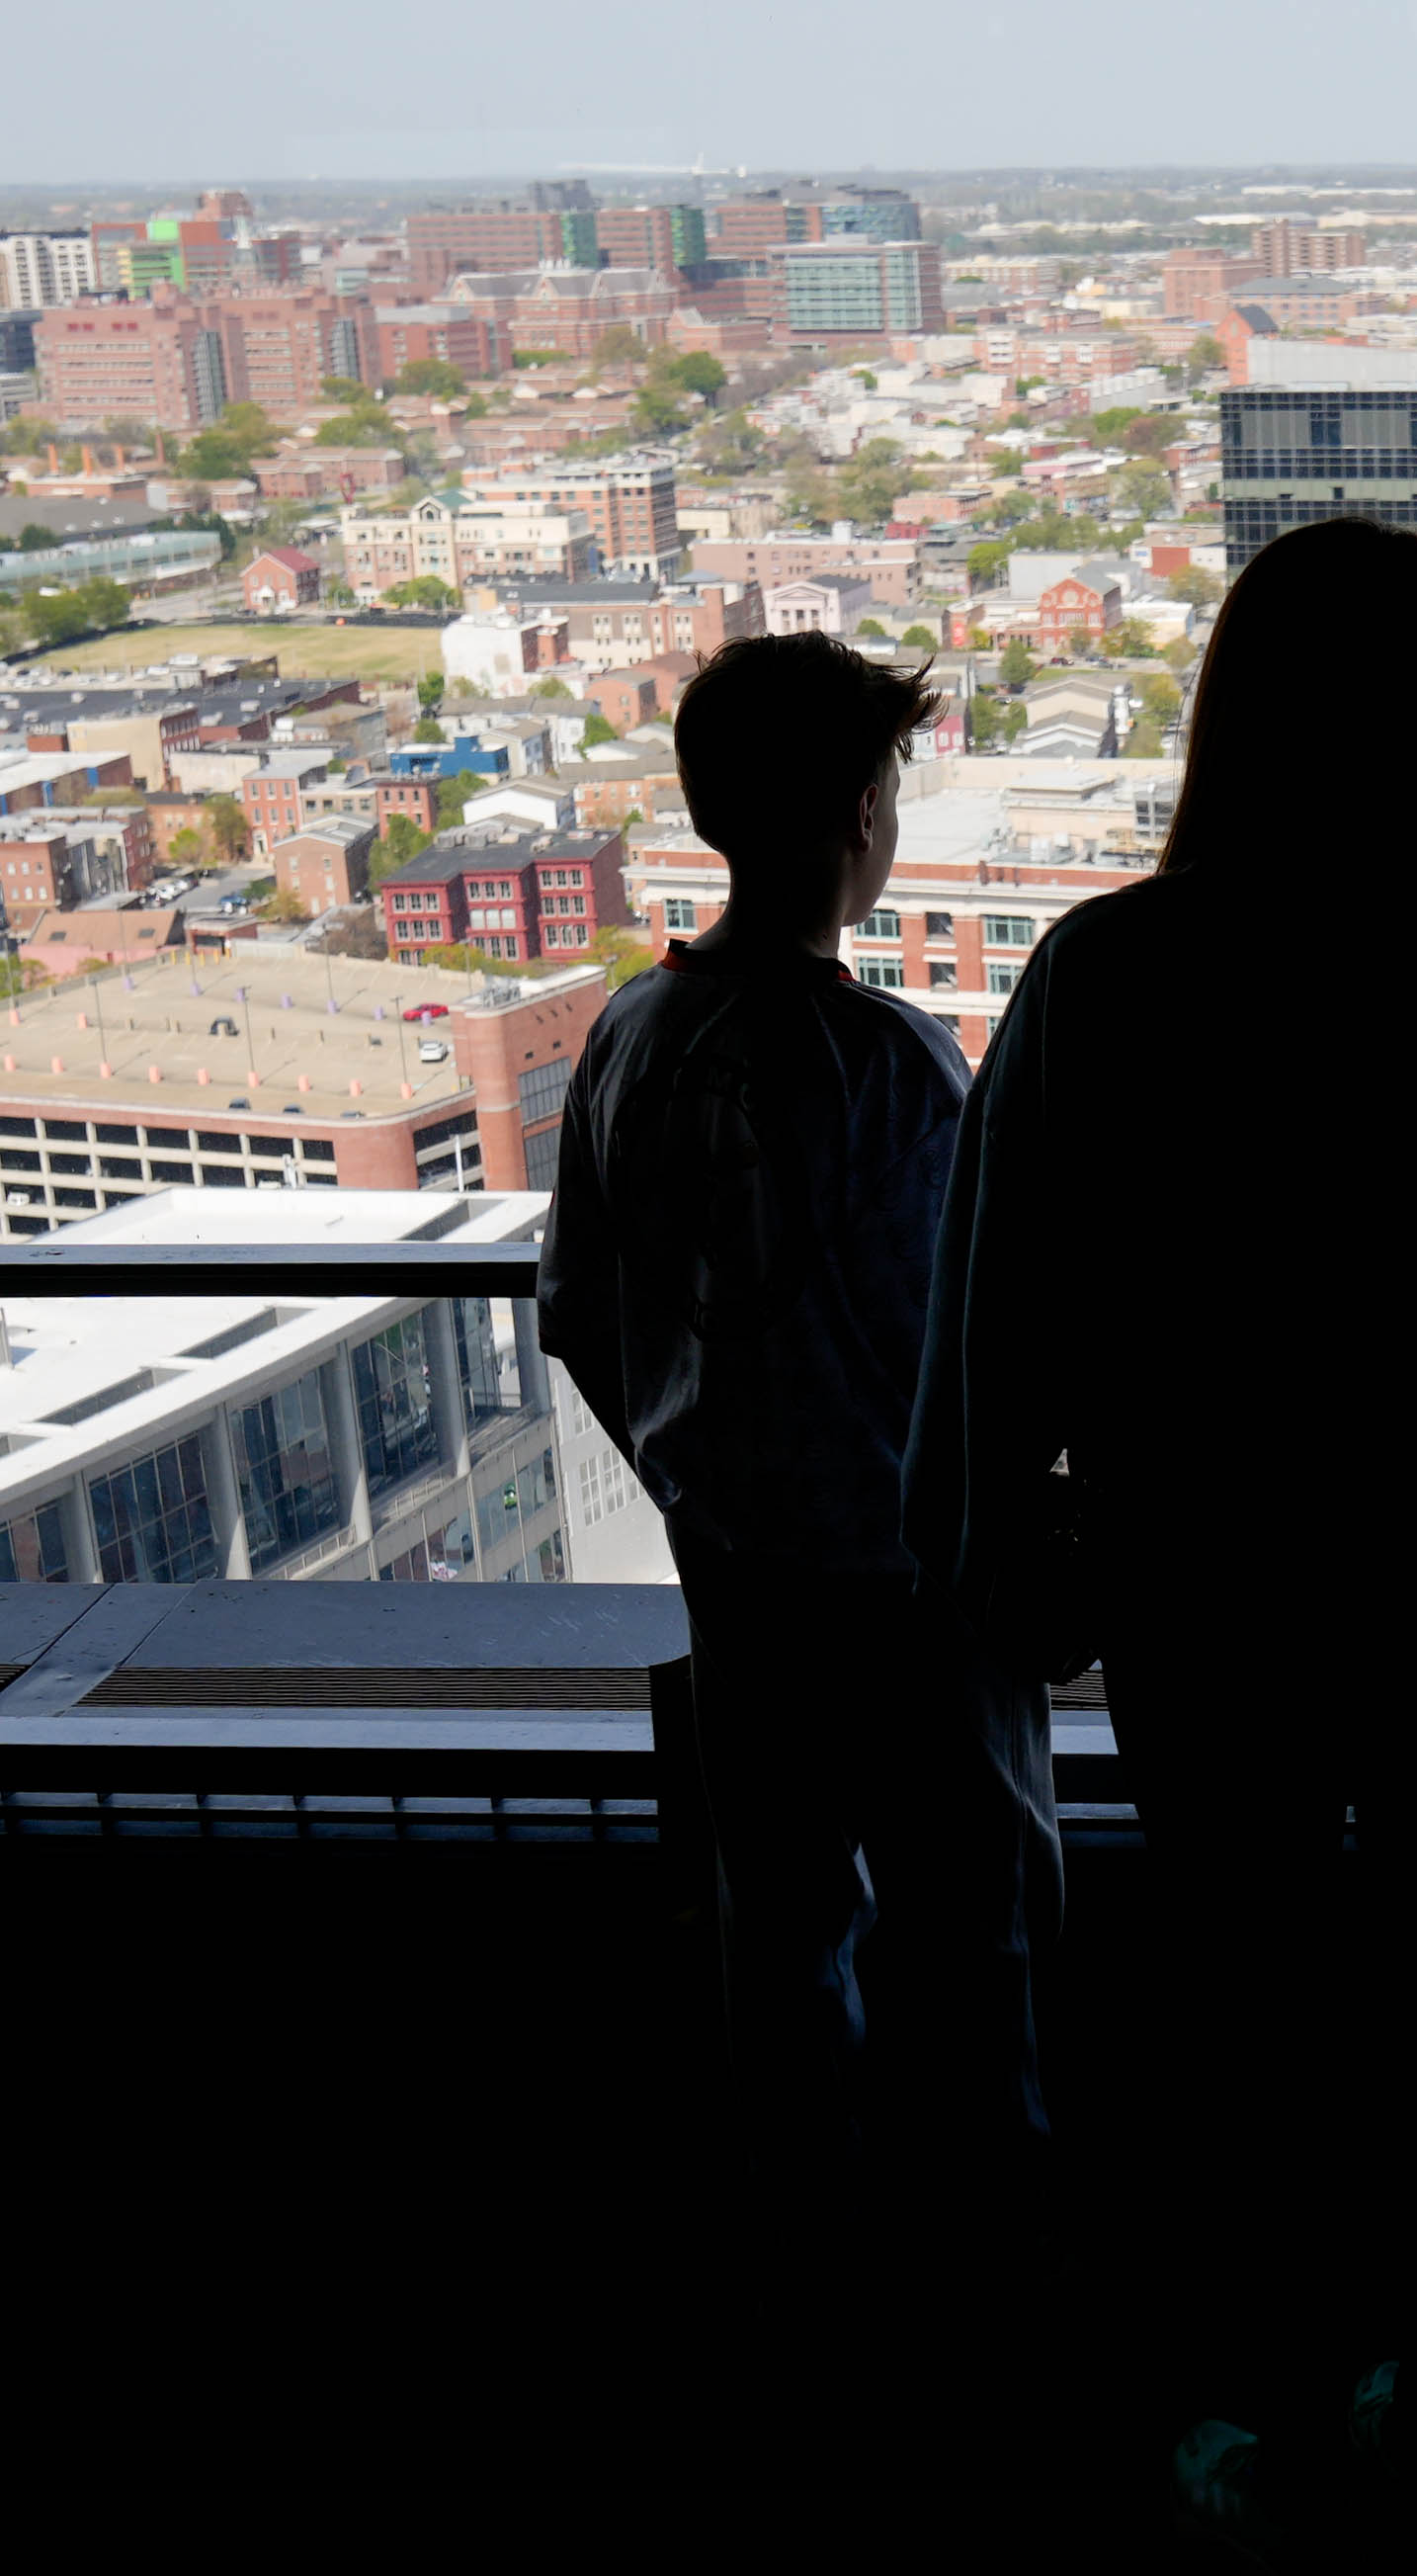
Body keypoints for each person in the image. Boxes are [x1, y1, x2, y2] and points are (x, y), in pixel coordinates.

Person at [909, 516, 1417, 2490]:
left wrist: (1025, 1586)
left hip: (1213, 1621)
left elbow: (980, 1368)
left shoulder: (1102, 983)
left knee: (1244, 2032)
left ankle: (1274, 2444)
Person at [536, 632, 1060, 2228]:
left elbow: (579, 1305)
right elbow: (973, 1344)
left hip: (739, 1576)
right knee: (975, 1919)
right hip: (912, 1588)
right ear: (854, 814)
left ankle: (808, 2246)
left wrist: (690, 1474)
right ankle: (983, 2230)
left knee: (779, 1924)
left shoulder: (631, 1039)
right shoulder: (890, 1062)